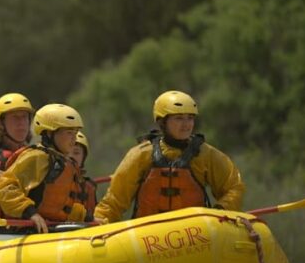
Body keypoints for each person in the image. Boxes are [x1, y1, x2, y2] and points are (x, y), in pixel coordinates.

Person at [93, 90, 245, 224]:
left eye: (190, 118)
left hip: (194, 238)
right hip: (149, 238)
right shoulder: (141, 154)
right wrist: (99, 221)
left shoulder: (206, 154)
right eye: (179, 118)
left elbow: (233, 187)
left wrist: (219, 212)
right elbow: (114, 201)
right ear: (162, 122)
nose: (186, 124)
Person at [0, 104, 87, 233]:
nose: (74, 139)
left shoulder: (64, 162)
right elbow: (6, 189)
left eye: (75, 133)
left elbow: (61, 205)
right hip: (28, 230)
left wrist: (89, 217)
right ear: (50, 133)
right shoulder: (37, 157)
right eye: (69, 133)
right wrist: (31, 213)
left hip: (52, 228)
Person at [69, 131, 98, 223]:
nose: (71, 156)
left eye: (76, 153)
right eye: (67, 152)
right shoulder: (53, 181)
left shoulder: (89, 186)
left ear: (83, 158)